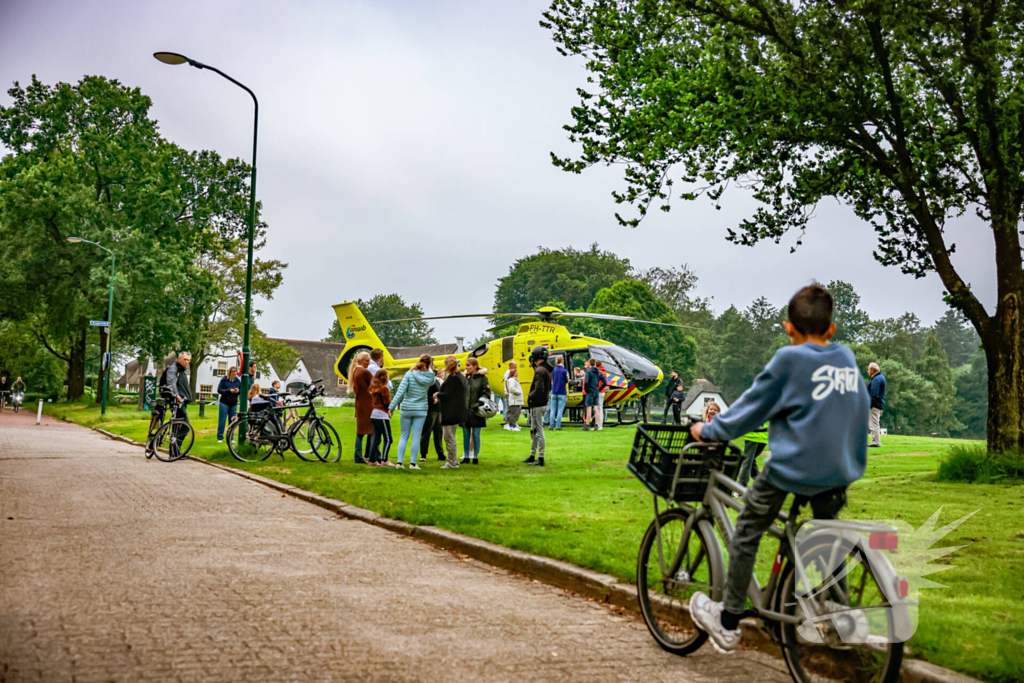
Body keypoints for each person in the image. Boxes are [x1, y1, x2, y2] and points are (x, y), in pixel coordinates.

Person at [686, 284, 869, 654]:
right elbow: (859, 407)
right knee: (827, 533)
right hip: (840, 469)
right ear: (831, 329)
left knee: (749, 529)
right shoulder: (846, 359)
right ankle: (837, 611)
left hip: (794, 468)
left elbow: (750, 409)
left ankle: (728, 620)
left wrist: (708, 429)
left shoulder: (789, 361)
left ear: (789, 328)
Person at [389, 354, 436, 469]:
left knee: (404, 436)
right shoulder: (430, 377)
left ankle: (399, 463)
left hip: (406, 408)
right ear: (429, 364)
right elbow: (432, 377)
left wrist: (391, 407)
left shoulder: (409, 374)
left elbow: (400, 392)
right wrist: (429, 367)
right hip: (421, 409)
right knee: (416, 436)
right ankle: (413, 463)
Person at [437, 356, 468, 469]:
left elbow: (447, 395)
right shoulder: (461, 377)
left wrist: (437, 395)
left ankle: (452, 462)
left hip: (451, 412)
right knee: (451, 437)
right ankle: (453, 460)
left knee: (449, 438)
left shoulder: (452, 378)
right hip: (458, 411)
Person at [524, 346, 551, 466]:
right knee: (534, 430)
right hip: (543, 403)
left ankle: (540, 457)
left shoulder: (539, 371)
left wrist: (530, 396)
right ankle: (532, 455)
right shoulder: (545, 369)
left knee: (538, 431)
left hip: (538, 404)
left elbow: (539, 388)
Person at [462, 358, 489, 464]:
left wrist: (477, 405)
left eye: (468, 365)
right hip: (466, 410)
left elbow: (485, 393)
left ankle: (476, 457)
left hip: (477, 410)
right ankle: (466, 456)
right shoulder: (466, 378)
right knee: (465, 434)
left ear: (474, 366)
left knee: (476, 434)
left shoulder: (482, 378)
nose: (467, 367)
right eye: (466, 365)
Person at [349, 351, 374, 464]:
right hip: (367, 405)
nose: (368, 363)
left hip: (360, 404)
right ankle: (369, 455)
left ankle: (359, 455)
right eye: (367, 361)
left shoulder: (355, 371)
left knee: (361, 431)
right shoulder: (364, 372)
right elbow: (375, 384)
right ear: (360, 361)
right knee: (371, 430)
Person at [368, 369, 393, 466]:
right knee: (388, 438)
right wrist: (392, 405)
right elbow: (386, 402)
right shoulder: (384, 389)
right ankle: (384, 460)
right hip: (382, 414)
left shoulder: (374, 388)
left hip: (374, 414)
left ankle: (372, 460)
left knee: (376, 438)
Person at [163, 352, 193, 431]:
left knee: (176, 426)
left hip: (182, 401)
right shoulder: (174, 368)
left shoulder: (182, 370)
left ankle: (172, 442)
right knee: (186, 427)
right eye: (184, 359)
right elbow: (171, 383)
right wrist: (176, 395)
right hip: (177, 401)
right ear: (179, 358)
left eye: (188, 360)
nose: (186, 361)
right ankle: (176, 443)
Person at [421, 370, 445, 461]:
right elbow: (425, 394)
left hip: (437, 409)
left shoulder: (437, 381)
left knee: (438, 432)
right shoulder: (430, 382)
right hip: (431, 409)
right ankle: (423, 454)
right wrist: (432, 400)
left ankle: (440, 453)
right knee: (427, 431)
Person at [738, 422, 767, 488]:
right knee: (750, 459)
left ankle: (741, 485)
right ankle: (759, 481)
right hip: (764, 437)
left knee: (747, 461)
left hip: (753, 436)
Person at [216, 366, 241, 443]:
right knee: (222, 420)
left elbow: (241, 390)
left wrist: (237, 391)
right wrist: (229, 391)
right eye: (233, 373)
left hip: (234, 403)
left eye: (235, 373)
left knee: (232, 421)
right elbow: (219, 390)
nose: (234, 375)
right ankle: (220, 437)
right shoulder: (224, 380)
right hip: (224, 402)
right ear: (229, 373)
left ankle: (231, 437)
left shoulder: (237, 381)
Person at [867, 362, 886, 447]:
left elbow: (874, 394)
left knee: (873, 424)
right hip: (878, 404)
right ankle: (875, 441)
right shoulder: (880, 378)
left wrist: (870, 405)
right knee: (874, 423)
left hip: (875, 405)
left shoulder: (876, 379)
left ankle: (876, 442)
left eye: (868, 369)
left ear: (872, 370)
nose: (868, 371)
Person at [547, 356, 569, 430]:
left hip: (554, 391)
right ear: (562, 361)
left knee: (552, 410)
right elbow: (567, 380)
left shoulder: (553, 371)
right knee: (560, 410)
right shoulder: (565, 371)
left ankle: (551, 426)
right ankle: (558, 426)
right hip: (562, 391)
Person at [582, 360, 601, 431]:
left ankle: (587, 425)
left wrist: (586, 389)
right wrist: (598, 389)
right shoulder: (599, 372)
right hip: (596, 391)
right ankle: (596, 425)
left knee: (588, 408)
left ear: (590, 364)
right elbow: (605, 382)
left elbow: (586, 382)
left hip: (590, 391)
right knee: (596, 408)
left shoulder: (588, 372)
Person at [504, 365, 524, 431]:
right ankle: (512, 426)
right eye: (516, 372)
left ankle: (514, 424)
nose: (517, 374)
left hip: (516, 400)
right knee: (514, 413)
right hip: (514, 400)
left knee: (517, 412)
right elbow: (511, 388)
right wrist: (518, 392)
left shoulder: (514, 380)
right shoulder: (511, 380)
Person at [594, 360, 608, 430]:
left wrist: (598, 389)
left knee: (598, 408)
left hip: (599, 391)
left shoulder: (598, 372)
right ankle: (600, 424)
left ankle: (599, 424)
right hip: (603, 391)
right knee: (600, 408)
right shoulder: (604, 371)